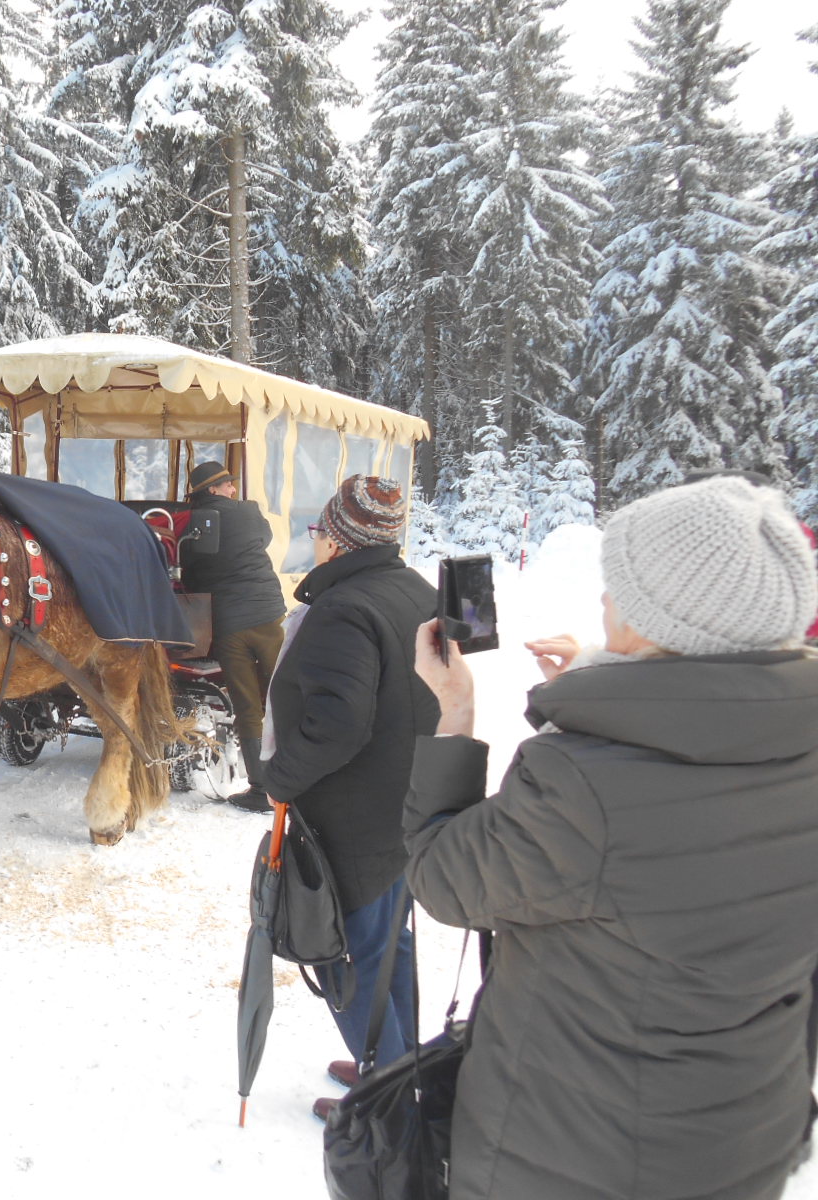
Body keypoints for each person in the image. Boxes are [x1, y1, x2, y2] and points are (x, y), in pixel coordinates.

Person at [406, 475, 818, 1200]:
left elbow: (445, 878)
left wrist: (456, 714)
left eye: (621, 589)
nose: (603, 602)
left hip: (577, 1158)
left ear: (671, 628)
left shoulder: (586, 785)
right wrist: (616, 677)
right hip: (744, 1136)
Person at [258, 474, 439, 1116]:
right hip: (405, 800)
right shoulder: (416, 589)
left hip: (354, 816)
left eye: (319, 530)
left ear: (338, 539)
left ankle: (387, 1102)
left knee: (349, 957)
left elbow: (337, 723)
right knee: (393, 940)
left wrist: (279, 779)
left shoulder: (345, 609)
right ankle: (397, 1064)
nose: (315, 542)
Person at [179, 460, 286, 809]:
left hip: (229, 624)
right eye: (227, 485)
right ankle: (297, 780)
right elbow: (265, 538)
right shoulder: (249, 513)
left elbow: (191, 578)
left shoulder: (192, 526)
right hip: (268, 616)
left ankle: (260, 790)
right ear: (212, 489)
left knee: (247, 704)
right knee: (283, 696)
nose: (233, 489)